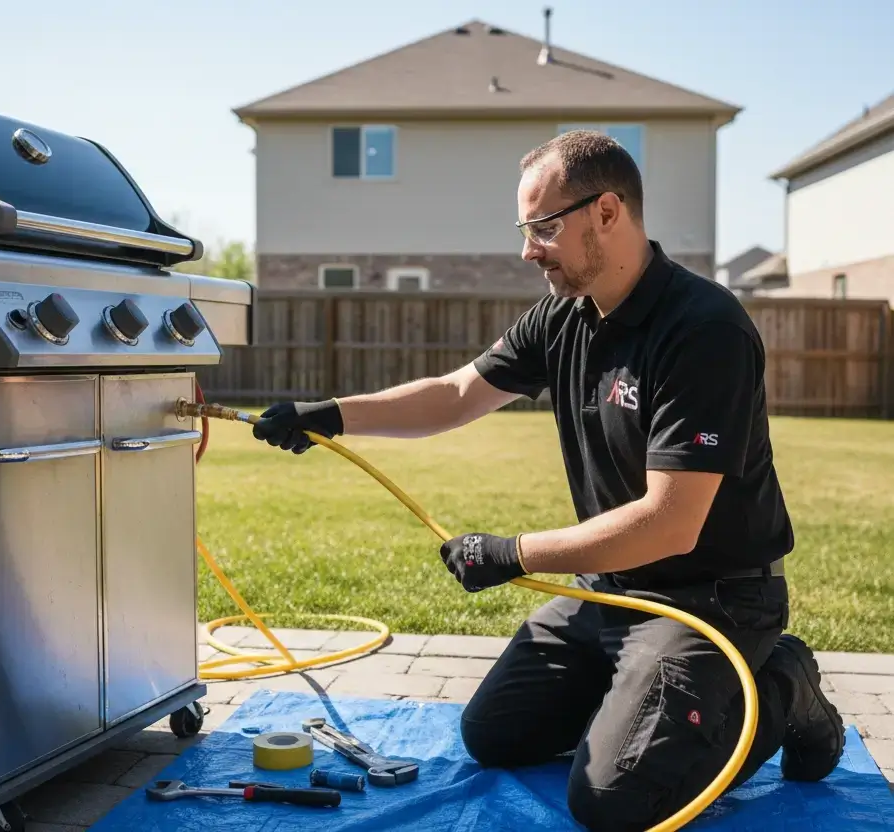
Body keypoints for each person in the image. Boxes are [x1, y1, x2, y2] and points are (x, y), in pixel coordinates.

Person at [249, 130, 845, 831]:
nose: (529, 249)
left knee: (615, 802)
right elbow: (456, 393)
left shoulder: (704, 328)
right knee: (494, 735)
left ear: (608, 212)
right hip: (610, 591)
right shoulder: (564, 315)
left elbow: (670, 522)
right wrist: (331, 415)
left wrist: (514, 554)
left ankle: (785, 683)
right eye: (525, 229)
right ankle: (641, 699)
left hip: (712, 601)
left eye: (544, 227)